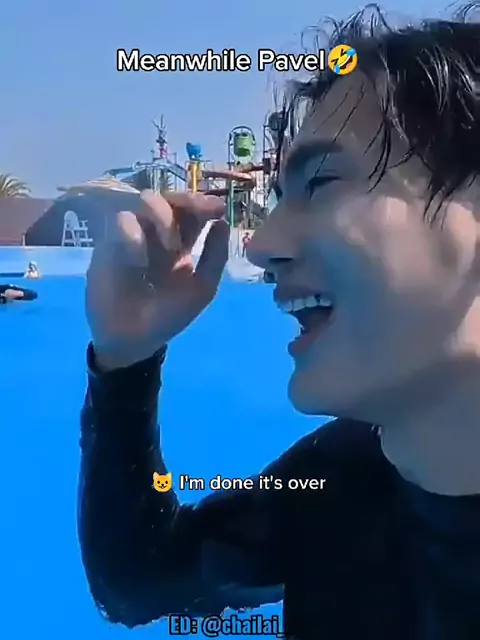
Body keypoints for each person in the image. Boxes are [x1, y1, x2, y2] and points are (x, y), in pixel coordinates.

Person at [77, 6, 480, 638]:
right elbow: (140, 581)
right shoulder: (342, 479)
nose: (261, 245)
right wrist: (124, 360)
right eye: (280, 197)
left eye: (321, 182)